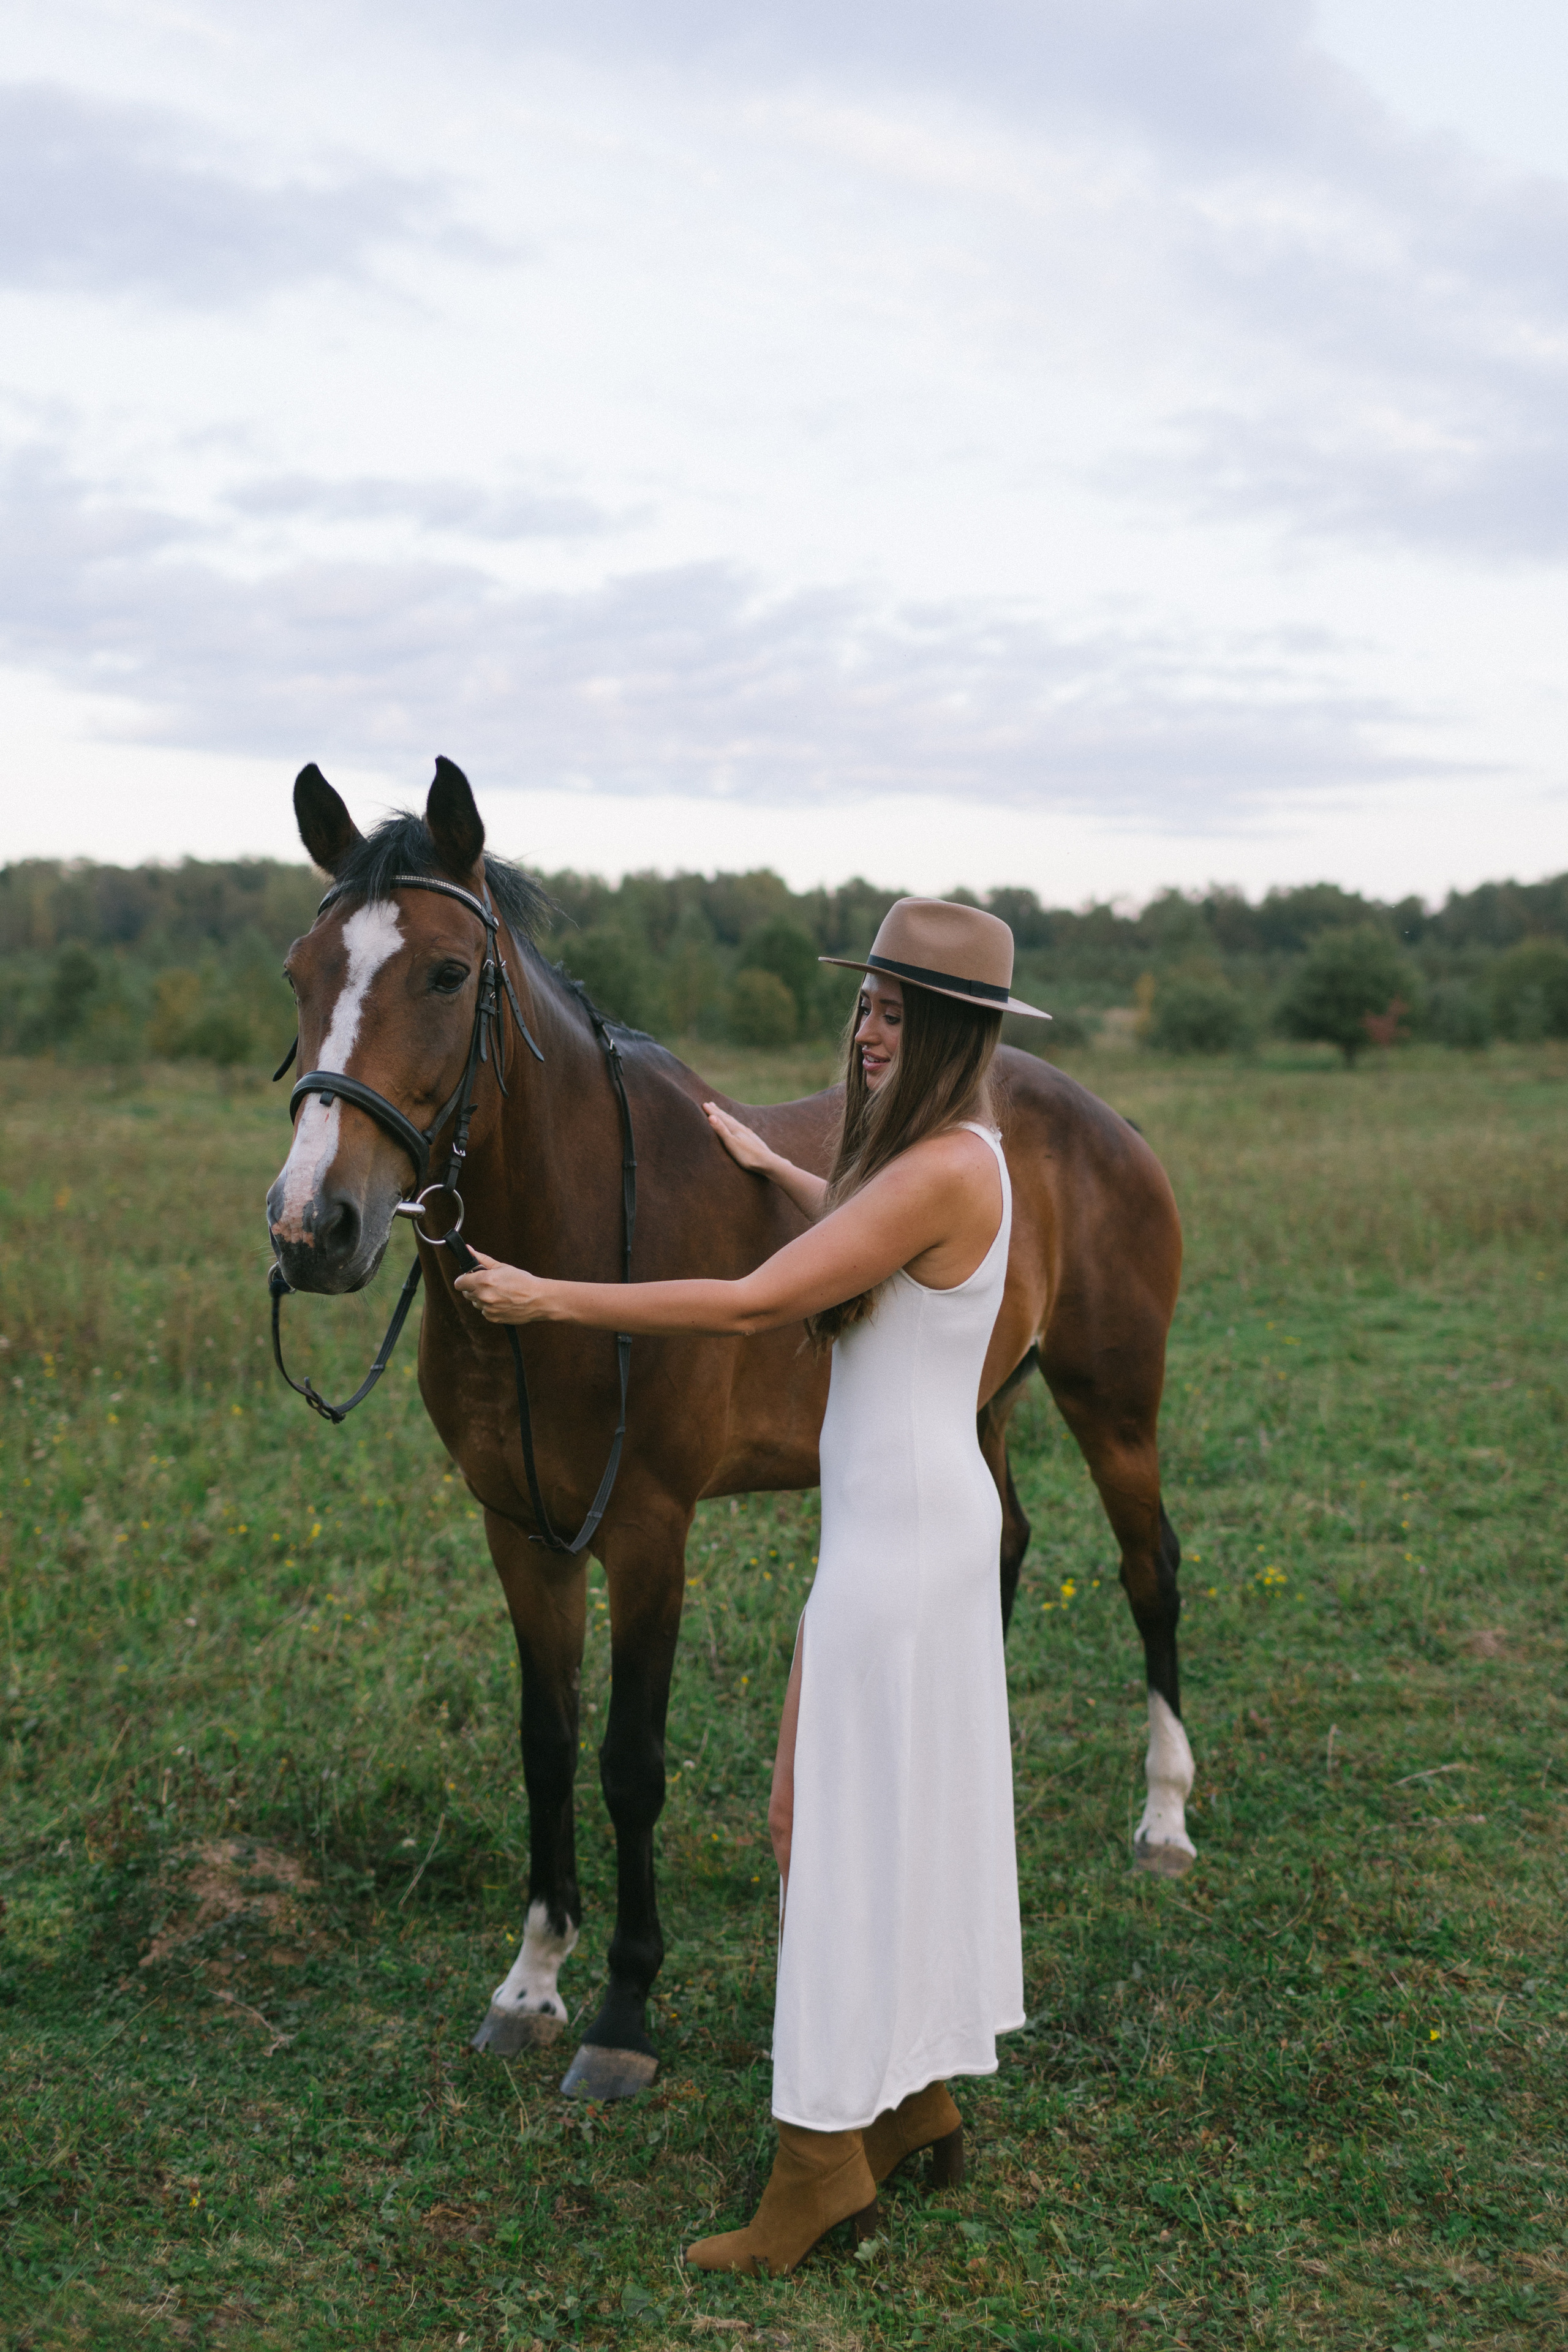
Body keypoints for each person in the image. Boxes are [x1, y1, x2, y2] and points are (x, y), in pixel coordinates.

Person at [454, 898, 1050, 2276]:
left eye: (894, 1013)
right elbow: (861, 1233)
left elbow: (748, 1303)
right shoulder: (956, 1162)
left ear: (950, 1031)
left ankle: (815, 2167)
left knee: (825, 1833)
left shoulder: (936, 1169)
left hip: (898, 1554)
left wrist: (553, 1297)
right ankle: (915, 2099)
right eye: (864, 1004)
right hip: (910, 1532)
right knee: (883, 1822)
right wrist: (769, 1163)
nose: (865, 1030)